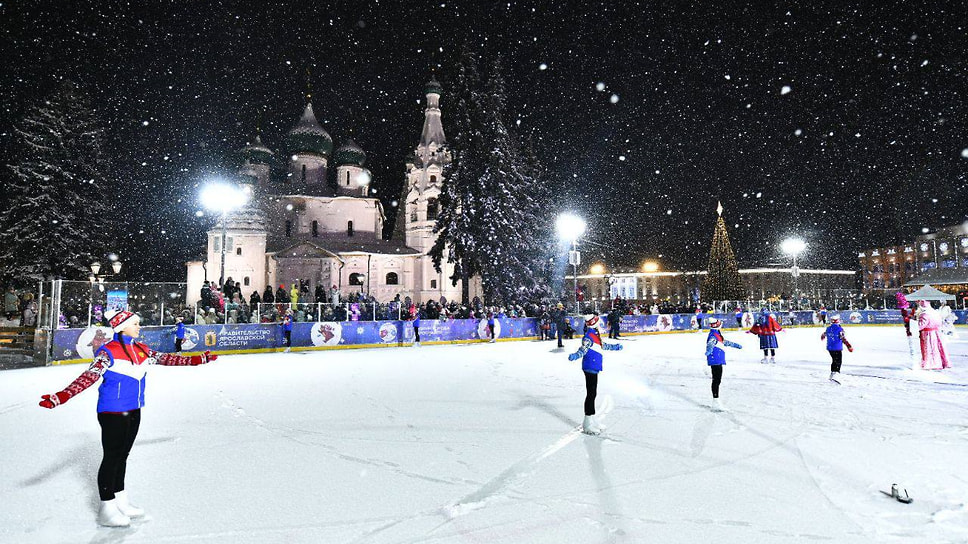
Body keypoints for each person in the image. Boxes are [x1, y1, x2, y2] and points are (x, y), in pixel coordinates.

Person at [38, 310, 216, 527]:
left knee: (123, 455)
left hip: (134, 409)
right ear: (122, 326)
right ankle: (107, 507)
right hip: (112, 411)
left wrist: (199, 359)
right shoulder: (107, 352)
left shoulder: (141, 349)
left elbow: (167, 359)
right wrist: (62, 396)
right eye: (136, 324)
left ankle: (120, 500)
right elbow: (88, 377)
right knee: (112, 457)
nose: (139, 327)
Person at [567, 314, 623, 435]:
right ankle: (587, 422)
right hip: (589, 367)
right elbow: (583, 350)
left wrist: (616, 347)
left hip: (594, 366)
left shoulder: (595, 335)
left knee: (593, 393)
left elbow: (604, 346)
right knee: (591, 394)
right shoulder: (589, 337)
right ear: (595, 323)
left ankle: (592, 419)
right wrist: (575, 355)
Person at [705, 318, 742, 411]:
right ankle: (715, 401)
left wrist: (735, 345)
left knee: (717, 380)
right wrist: (709, 350)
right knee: (716, 380)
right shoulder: (713, 335)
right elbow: (710, 343)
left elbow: (724, 342)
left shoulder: (717, 334)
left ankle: (716, 400)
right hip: (715, 359)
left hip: (717, 359)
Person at [916, 300, 950, 370]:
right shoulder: (935, 312)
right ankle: (940, 362)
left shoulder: (924, 315)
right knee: (936, 348)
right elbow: (940, 323)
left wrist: (913, 321)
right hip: (936, 333)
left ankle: (930, 363)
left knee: (928, 349)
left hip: (927, 334)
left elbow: (920, 326)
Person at [820, 315, 853, 383]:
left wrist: (823, 337)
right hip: (837, 348)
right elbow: (843, 338)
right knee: (838, 361)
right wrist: (849, 346)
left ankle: (832, 374)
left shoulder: (828, 328)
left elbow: (823, 334)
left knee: (834, 360)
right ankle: (836, 374)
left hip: (830, 348)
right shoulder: (840, 329)